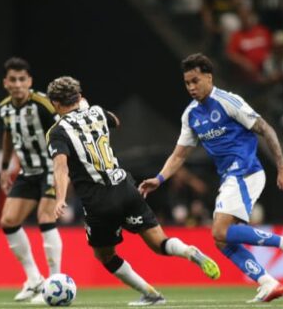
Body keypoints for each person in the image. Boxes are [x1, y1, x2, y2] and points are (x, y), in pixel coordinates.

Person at [138, 53, 283, 303]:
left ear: (209, 77)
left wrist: (281, 167)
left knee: (220, 230)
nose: (192, 87)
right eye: (187, 83)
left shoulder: (228, 101)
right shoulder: (191, 115)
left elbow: (265, 129)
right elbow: (179, 155)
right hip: (230, 176)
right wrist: (159, 179)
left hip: (246, 170)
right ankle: (267, 282)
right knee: (221, 239)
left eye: (195, 81)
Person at [45, 76, 220, 306]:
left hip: (99, 201)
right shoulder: (97, 112)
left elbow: (61, 166)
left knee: (105, 256)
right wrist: (86, 108)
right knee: (160, 243)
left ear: (55, 104)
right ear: (79, 97)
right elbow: (115, 121)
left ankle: (151, 294)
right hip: (126, 187)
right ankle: (189, 251)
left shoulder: (56, 132)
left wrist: (59, 198)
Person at [0, 57, 63, 303]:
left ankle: (54, 284)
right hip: (27, 171)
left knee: (45, 217)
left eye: (22, 79)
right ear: (6, 82)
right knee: (8, 221)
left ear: (30, 81)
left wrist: (65, 169)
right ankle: (34, 279)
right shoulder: (4, 108)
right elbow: (7, 135)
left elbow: (63, 129)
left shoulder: (43, 104)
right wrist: (5, 168)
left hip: (51, 168)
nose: (17, 84)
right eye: (12, 80)